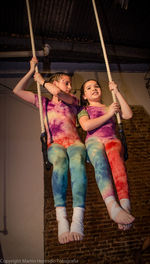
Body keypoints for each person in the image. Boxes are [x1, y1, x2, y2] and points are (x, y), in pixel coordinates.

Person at [13, 57, 87, 244]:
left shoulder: (73, 101)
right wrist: (31, 71)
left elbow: (61, 95)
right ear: (55, 83)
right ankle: (62, 218)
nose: (70, 86)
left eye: (70, 84)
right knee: (60, 165)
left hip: (75, 143)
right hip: (56, 144)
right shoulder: (44, 103)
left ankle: (78, 219)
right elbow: (17, 90)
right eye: (66, 83)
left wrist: (42, 81)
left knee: (78, 164)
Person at [78, 79, 135, 230]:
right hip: (94, 140)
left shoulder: (111, 106)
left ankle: (125, 205)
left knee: (118, 166)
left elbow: (128, 115)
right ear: (84, 96)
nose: (94, 89)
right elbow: (86, 126)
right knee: (100, 164)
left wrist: (116, 92)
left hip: (111, 139)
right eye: (89, 88)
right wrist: (109, 113)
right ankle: (112, 206)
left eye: (96, 86)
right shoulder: (83, 110)